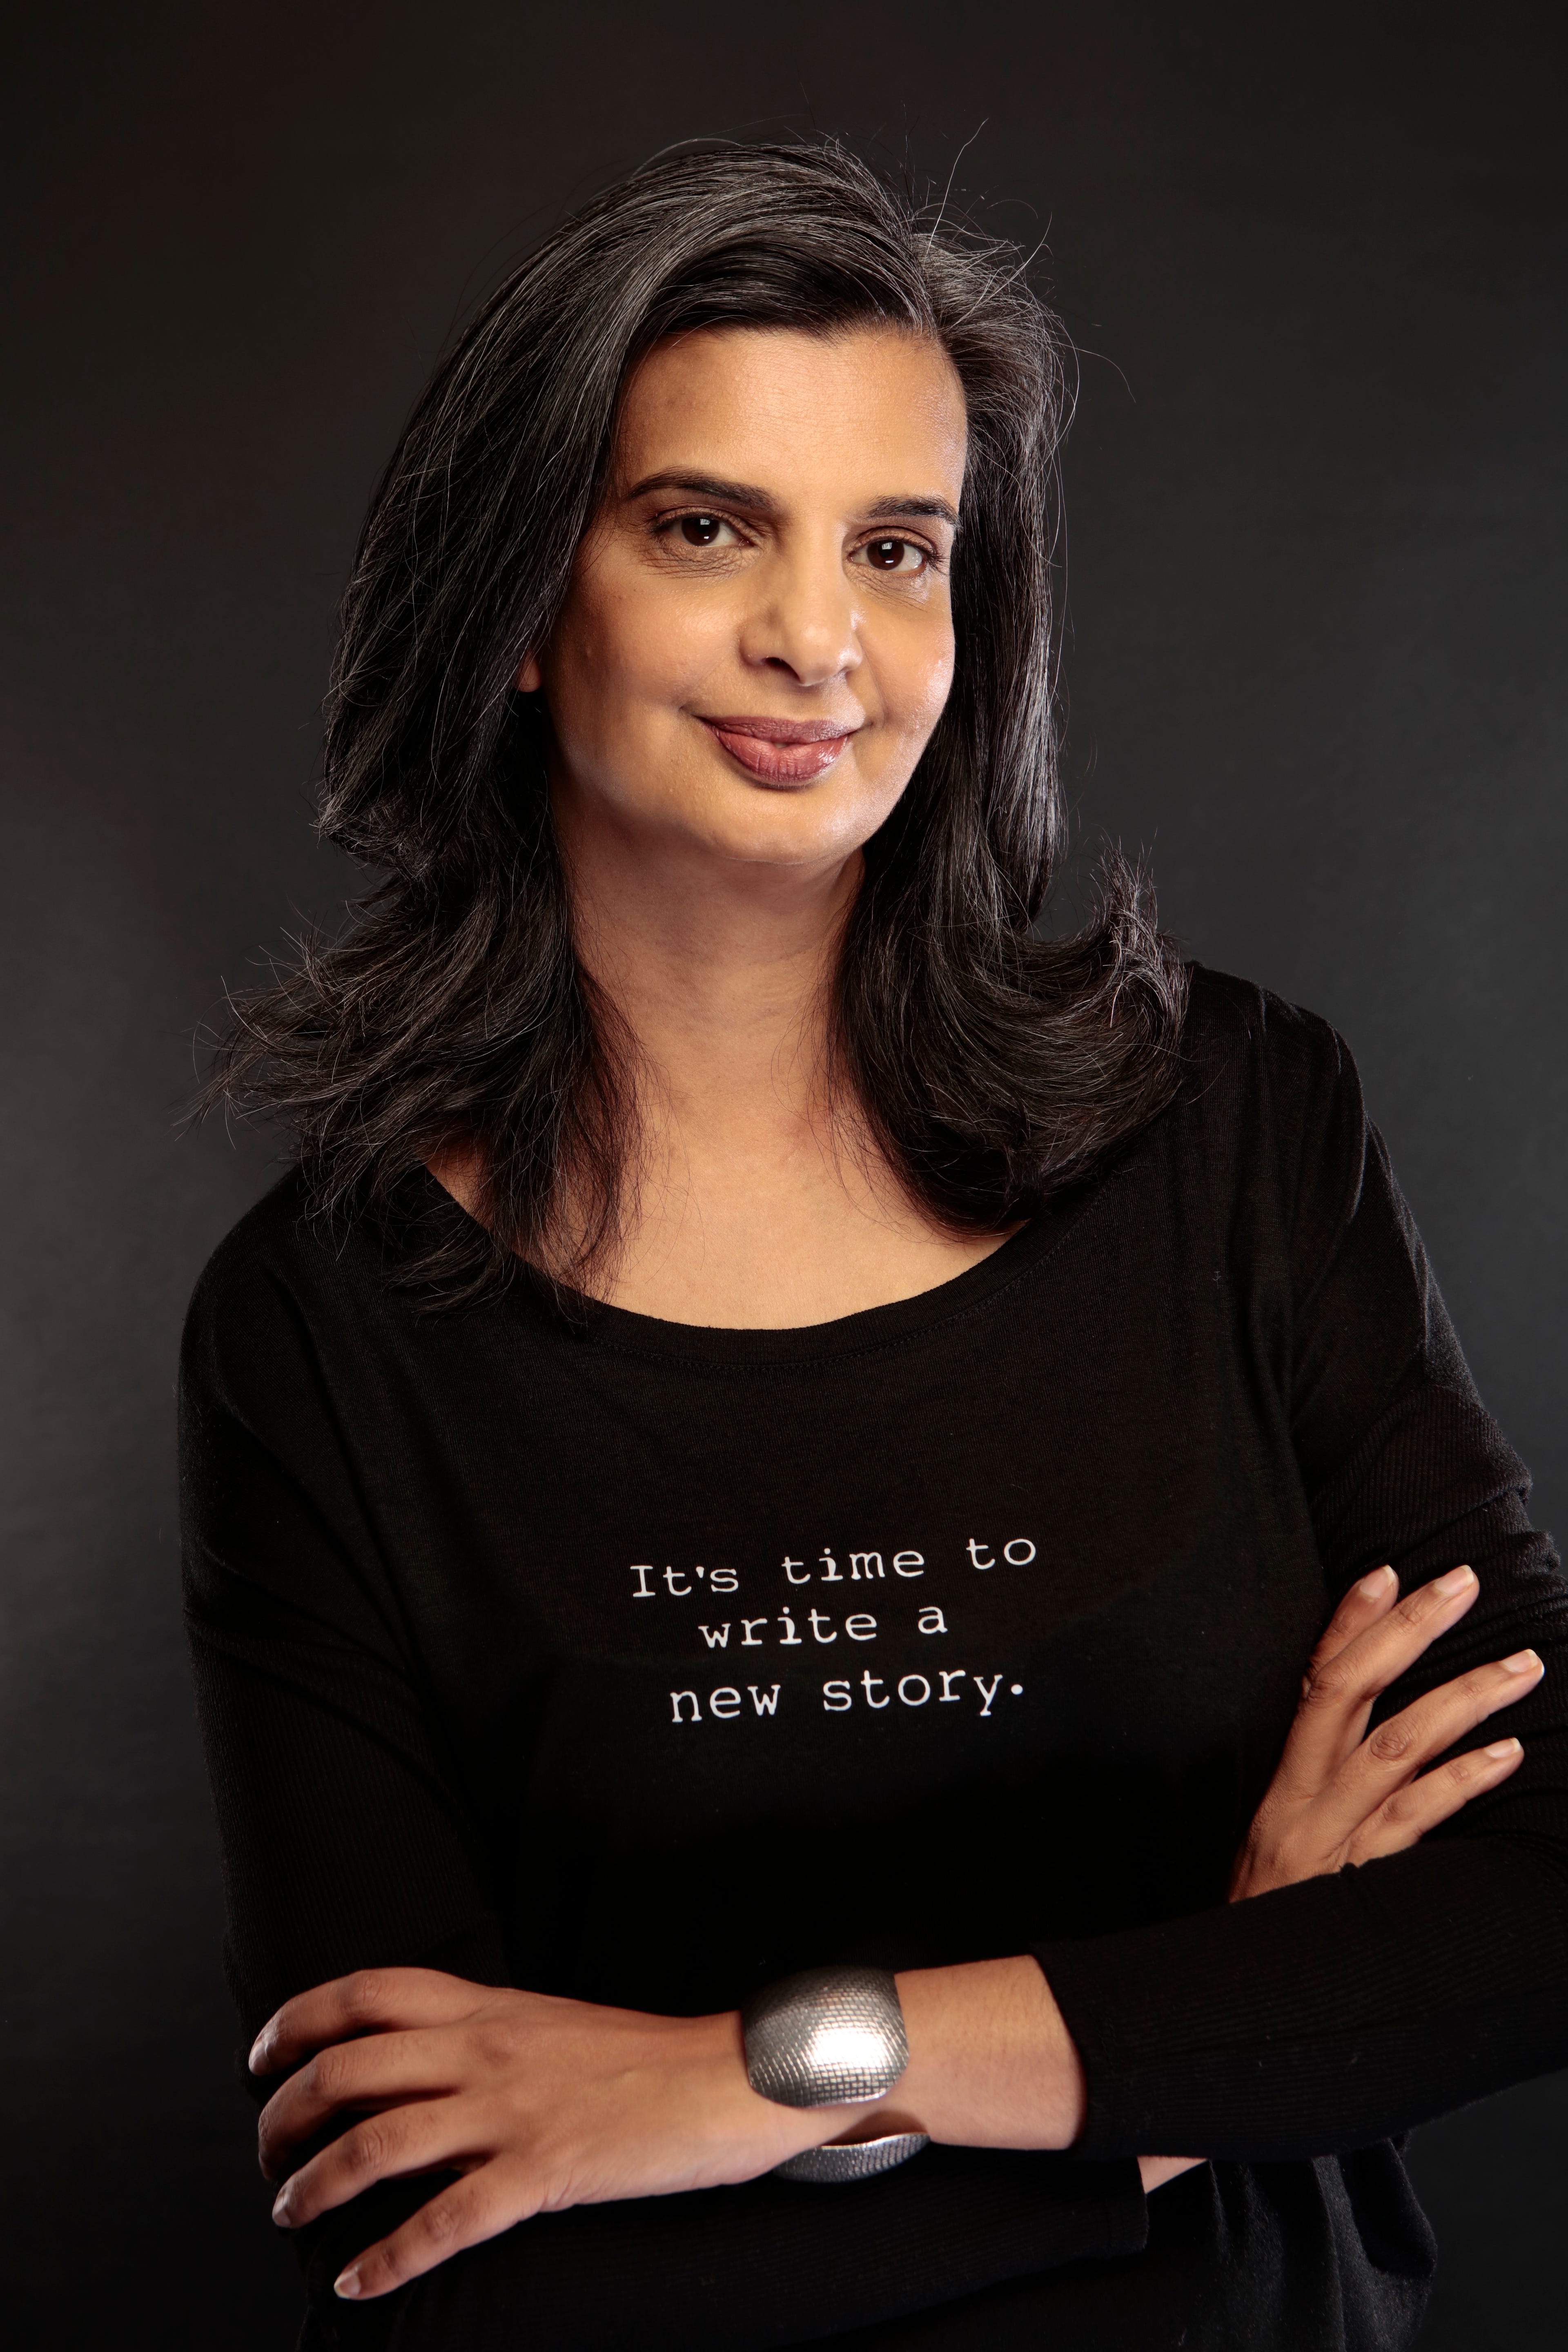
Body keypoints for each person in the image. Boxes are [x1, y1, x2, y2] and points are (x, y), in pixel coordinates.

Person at [181, 142, 1568, 2350]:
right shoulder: (324, 1330)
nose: (817, 639)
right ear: (522, 605)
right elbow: (425, 2225)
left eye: (898, 548)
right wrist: (1216, 2031)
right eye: (704, 526)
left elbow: (1542, 1887)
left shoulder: (1235, 1132)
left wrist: (745, 2077)